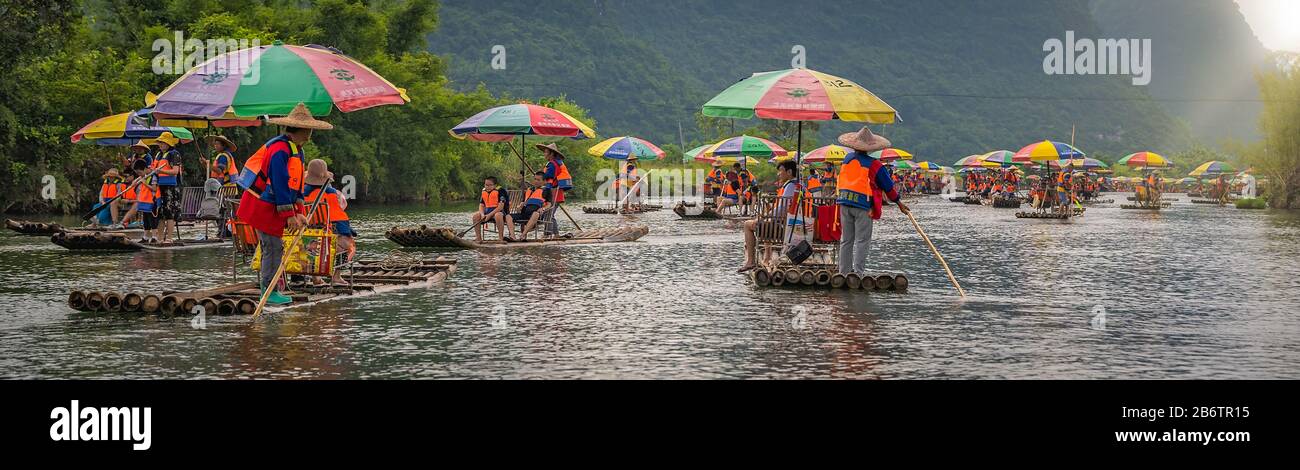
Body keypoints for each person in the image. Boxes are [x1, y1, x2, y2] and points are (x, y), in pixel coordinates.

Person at [236, 103, 332, 306]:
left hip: (273, 203)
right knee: (272, 247)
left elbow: (296, 186)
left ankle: (270, 288)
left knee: (275, 246)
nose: (309, 135)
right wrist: (289, 214)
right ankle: (268, 290)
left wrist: (299, 211)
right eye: (308, 131)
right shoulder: (279, 149)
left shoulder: (297, 150)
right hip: (261, 203)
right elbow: (278, 183)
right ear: (300, 130)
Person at [835, 127, 908, 275]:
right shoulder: (874, 165)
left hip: (844, 202)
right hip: (863, 206)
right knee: (862, 240)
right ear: (870, 147)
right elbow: (888, 187)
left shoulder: (846, 159)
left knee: (846, 240)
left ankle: (843, 272)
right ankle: (858, 273)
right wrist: (900, 204)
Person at [737, 160, 801, 272]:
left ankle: (751, 261)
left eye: (781, 171)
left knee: (747, 224)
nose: (778, 174)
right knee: (767, 222)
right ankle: (767, 257)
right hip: (795, 225)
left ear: (789, 172)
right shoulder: (799, 185)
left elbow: (781, 209)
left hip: (785, 229)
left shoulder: (790, 187)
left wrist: (764, 216)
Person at [302, 159, 353, 286]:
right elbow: (339, 219)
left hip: (308, 236)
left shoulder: (301, 194)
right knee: (348, 245)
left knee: (314, 246)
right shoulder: (332, 194)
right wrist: (348, 233)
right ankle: (336, 277)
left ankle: (316, 278)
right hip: (328, 234)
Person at [150, 132, 184, 243]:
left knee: (169, 212)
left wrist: (161, 170)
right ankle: (159, 238)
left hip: (171, 187)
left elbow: (175, 171)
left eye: (162, 142)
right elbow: (154, 170)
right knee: (160, 213)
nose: (160, 144)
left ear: (168, 143)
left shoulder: (174, 154)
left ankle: (169, 238)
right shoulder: (159, 155)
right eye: (160, 142)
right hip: (160, 186)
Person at [508, 172, 553, 240]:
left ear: (544, 181)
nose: (536, 181)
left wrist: (543, 208)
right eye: (535, 179)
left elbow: (549, 204)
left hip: (537, 215)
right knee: (508, 216)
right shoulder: (529, 190)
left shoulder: (547, 190)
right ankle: (512, 236)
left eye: (538, 180)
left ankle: (523, 235)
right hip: (525, 214)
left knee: (535, 213)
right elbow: (524, 201)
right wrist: (520, 205)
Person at [472, 176, 509, 242]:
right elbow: (481, 205)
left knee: (498, 215)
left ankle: (501, 238)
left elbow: (500, 207)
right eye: (486, 185)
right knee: (475, 216)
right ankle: (478, 238)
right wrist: (482, 214)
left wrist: (489, 215)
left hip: (498, 212)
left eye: (490, 185)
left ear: (495, 185)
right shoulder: (484, 191)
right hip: (487, 212)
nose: (487, 187)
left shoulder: (501, 191)